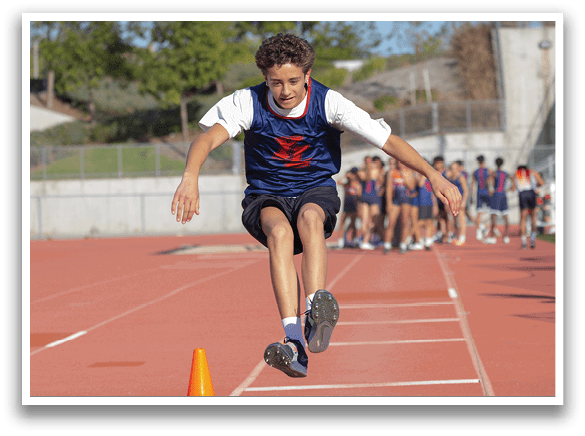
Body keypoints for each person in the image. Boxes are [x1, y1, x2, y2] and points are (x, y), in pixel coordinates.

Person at [170, 33, 461, 378]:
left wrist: (433, 175)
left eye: (294, 81)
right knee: (278, 233)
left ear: (307, 75)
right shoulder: (246, 102)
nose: (285, 90)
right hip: (266, 193)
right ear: (265, 78)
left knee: (310, 218)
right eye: (275, 82)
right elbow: (207, 138)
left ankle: (316, 310)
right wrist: (190, 176)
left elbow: (388, 142)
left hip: (314, 188)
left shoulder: (329, 102)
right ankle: (294, 341)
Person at [383, 159, 416, 254]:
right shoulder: (392, 173)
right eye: (398, 162)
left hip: (406, 200)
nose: (400, 164)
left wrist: (405, 178)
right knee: (391, 222)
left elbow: (412, 187)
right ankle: (387, 244)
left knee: (405, 222)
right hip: (395, 200)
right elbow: (389, 188)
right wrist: (388, 203)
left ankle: (403, 244)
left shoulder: (409, 172)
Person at [483, 157, 514, 244]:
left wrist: (489, 189)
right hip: (503, 195)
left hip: (496, 195)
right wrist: (512, 187)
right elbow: (513, 178)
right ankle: (506, 237)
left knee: (493, 216)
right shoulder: (505, 173)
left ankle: (492, 237)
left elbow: (487, 181)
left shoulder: (494, 173)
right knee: (505, 215)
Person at [358, 155, 385, 250]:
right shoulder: (363, 171)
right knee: (365, 221)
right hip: (367, 197)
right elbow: (365, 178)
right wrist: (369, 169)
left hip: (373, 196)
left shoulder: (376, 171)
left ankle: (367, 239)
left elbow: (382, 182)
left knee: (374, 220)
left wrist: (378, 172)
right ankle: (365, 240)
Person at [515, 165, 544, 249]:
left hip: (522, 194)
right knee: (533, 217)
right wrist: (535, 184)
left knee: (523, 219)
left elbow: (514, 187)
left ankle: (524, 242)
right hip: (531, 193)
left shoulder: (517, 173)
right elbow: (541, 183)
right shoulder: (531, 172)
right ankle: (532, 240)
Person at [337, 167, 362, 248]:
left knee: (353, 223)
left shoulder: (357, 184)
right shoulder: (346, 184)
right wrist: (345, 176)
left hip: (354, 205)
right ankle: (340, 241)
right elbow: (338, 182)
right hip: (346, 205)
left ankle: (354, 239)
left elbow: (359, 194)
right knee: (342, 223)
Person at [446, 161, 469, 246]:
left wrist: (464, 202)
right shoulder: (451, 177)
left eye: (455, 168)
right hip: (453, 201)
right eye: (452, 168)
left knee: (461, 219)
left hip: (460, 201)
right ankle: (455, 235)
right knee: (454, 220)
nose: (454, 170)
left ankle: (462, 237)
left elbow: (466, 190)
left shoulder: (461, 177)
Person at [471, 155, 492, 240]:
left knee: (479, 212)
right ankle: (487, 227)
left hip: (479, 193)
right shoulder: (489, 171)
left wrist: (471, 196)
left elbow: (473, 185)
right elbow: (490, 182)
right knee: (491, 211)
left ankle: (479, 231)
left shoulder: (475, 172)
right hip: (487, 193)